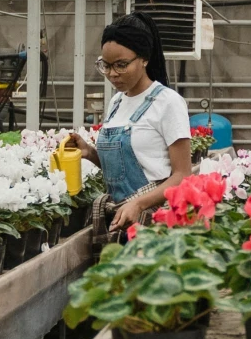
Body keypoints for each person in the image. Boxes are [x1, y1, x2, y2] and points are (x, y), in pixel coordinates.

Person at [65, 13, 193, 235]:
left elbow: (182, 175)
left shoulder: (168, 102)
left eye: (121, 65)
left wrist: (139, 203)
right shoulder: (116, 102)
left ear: (144, 58)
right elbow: (121, 169)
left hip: (156, 223)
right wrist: (90, 152)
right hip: (121, 219)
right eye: (106, 66)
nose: (113, 74)